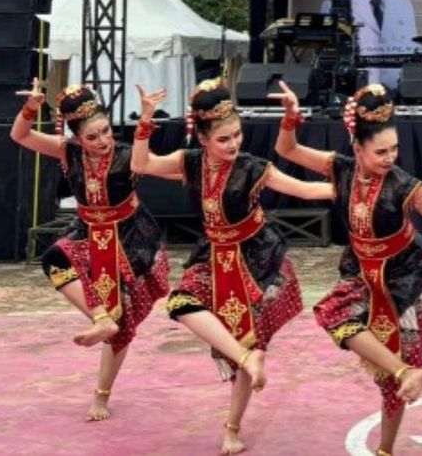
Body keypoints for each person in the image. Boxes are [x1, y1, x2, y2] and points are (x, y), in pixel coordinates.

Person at [270, 81, 422, 456]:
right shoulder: (341, 169)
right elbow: (287, 150)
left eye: (394, 148)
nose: (390, 157)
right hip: (361, 271)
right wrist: (290, 116)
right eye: (380, 151)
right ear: (358, 148)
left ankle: (386, 448)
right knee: (334, 314)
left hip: (404, 278)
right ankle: (404, 371)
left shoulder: (404, 185)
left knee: (394, 383)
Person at [131, 79, 336, 455]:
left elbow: (306, 189)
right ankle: (246, 358)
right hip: (213, 254)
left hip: (255, 257)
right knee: (181, 303)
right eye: (223, 139)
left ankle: (232, 427)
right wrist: (145, 121)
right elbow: (141, 164)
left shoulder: (252, 167)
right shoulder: (191, 162)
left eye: (237, 135)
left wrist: (356, 186)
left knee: (246, 337)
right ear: (203, 139)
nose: (233, 144)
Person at [11, 81, 170, 422]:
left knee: (123, 321)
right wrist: (31, 108)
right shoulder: (67, 152)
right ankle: (101, 318)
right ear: (78, 138)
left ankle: (101, 395)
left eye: (106, 132)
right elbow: (20, 135)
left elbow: (147, 162)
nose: (103, 141)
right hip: (88, 230)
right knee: (54, 258)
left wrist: (145, 119)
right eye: (92, 137)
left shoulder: (127, 155)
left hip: (129, 236)